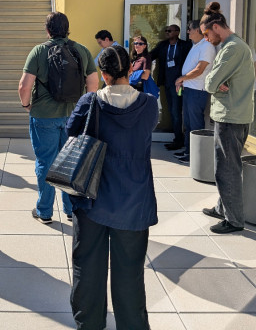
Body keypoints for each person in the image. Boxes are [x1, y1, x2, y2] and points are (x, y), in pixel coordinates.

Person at [67, 45, 158, 330]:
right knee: (130, 272)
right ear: (130, 69)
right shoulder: (149, 104)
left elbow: (71, 131)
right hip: (134, 199)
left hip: (92, 197)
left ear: (103, 74)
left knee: (88, 267)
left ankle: (89, 323)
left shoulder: (89, 102)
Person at [18, 12, 98, 224]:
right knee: (69, 162)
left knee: (46, 162)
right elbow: (93, 83)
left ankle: (44, 212)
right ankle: (71, 209)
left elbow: (24, 86)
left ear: (48, 30)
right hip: (73, 115)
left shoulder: (39, 51)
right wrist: (83, 108)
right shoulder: (82, 50)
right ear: (67, 29)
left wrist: (26, 105)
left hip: (44, 115)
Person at [200, 1, 255, 234]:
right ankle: (223, 208)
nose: (206, 39)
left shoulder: (232, 48)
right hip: (234, 114)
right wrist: (216, 81)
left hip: (231, 117)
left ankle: (233, 220)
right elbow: (215, 81)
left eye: (206, 34)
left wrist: (214, 81)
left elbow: (210, 82)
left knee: (226, 169)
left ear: (216, 27)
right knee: (228, 166)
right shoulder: (234, 45)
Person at [174, 20, 216, 163]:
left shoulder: (207, 46)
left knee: (195, 124)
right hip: (189, 88)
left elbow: (199, 70)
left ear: (198, 30)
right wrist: (184, 81)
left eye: (190, 29)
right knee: (188, 123)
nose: (188, 32)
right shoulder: (196, 45)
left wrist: (182, 78)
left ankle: (196, 157)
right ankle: (188, 151)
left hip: (197, 90)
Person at [150, 24, 192, 150]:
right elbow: (150, 56)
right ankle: (177, 137)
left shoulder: (185, 46)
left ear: (177, 32)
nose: (167, 32)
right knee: (170, 111)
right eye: (166, 30)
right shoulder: (162, 45)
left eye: (169, 31)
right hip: (166, 84)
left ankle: (179, 140)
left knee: (176, 112)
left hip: (180, 84)